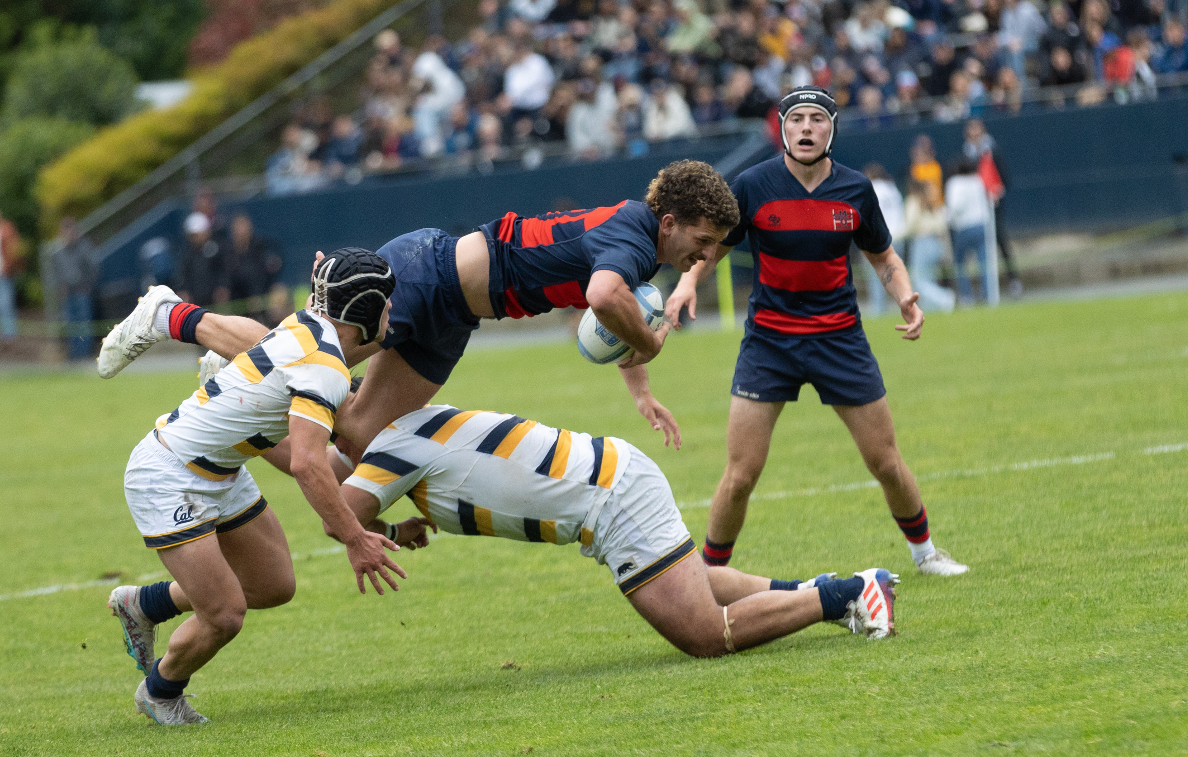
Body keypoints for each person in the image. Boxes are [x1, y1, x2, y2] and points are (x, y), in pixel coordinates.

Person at [99, 160, 741, 466]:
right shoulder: (632, 238)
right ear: (671, 220)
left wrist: (641, 388)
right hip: (427, 273)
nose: (705, 256)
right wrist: (652, 348)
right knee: (303, 353)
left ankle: (226, 366)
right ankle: (170, 314)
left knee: (357, 434)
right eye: (705, 240)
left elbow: (609, 311)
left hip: (454, 314)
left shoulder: (639, 252)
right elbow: (606, 301)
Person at [665, 87, 968, 577]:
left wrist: (906, 296)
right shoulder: (752, 185)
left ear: (831, 129)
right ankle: (705, 576)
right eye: (797, 119)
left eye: (817, 119)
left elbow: (884, 258)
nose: (806, 128)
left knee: (885, 462)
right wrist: (685, 284)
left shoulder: (855, 190)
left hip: (840, 340)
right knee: (741, 475)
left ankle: (926, 553)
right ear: (782, 128)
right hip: (769, 343)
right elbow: (712, 247)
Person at [332, 402, 901, 656]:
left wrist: (370, 516)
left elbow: (339, 513)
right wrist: (397, 525)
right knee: (693, 582)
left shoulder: (390, 446)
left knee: (704, 634)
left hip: (609, 498)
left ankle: (847, 595)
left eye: (335, 435)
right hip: (612, 478)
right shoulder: (406, 428)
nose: (341, 448)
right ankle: (822, 589)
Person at [105, 248, 401, 726]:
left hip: (220, 470)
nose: (393, 310)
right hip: (169, 477)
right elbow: (307, 465)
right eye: (386, 303)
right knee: (224, 614)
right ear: (364, 311)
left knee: (272, 585)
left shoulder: (308, 328)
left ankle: (145, 604)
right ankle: (160, 692)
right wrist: (356, 538)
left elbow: (293, 459)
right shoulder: (324, 369)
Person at [963, 119, 1021, 296]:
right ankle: (981, 286)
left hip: (993, 206)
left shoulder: (992, 153)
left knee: (1001, 241)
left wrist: (994, 192)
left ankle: (1014, 280)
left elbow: (1003, 178)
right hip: (974, 209)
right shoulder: (966, 155)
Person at [902, 179, 956, 313]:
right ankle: (932, 311)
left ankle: (945, 298)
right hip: (936, 243)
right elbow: (942, 224)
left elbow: (910, 226)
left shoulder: (914, 201)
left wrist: (894, 235)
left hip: (922, 242)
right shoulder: (932, 204)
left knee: (919, 281)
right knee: (929, 279)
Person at [944, 159, 993, 305]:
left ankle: (966, 296)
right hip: (982, 225)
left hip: (964, 227)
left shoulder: (954, 183)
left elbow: (955, 206)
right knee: (983, 262)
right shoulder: (977, 180)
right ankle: (988, 294)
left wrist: (947, 218)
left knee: (960, 263)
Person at [861, 164, 905, 318]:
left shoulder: (873, 188)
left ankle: (878, 310)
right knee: (896, 275)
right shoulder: (892, 188)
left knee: (876, 275)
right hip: (898, 235)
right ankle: (904, 305)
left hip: (880, 237)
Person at [52, 217, 98, 360]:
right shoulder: (58, 252)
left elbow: (93, 268)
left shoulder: (84, 247)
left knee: (84, 323)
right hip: (67, 293)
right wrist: (60, 287)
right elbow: (56, 272)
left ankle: (84, 353)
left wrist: (87, 285)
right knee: (71, 323)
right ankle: (74, 354)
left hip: (81, 291)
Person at [0, 205, 22, 348]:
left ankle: (9, 338)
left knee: (4, 306)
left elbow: (13, 251)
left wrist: (6, 269)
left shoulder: (4, 230)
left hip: (1, 276)